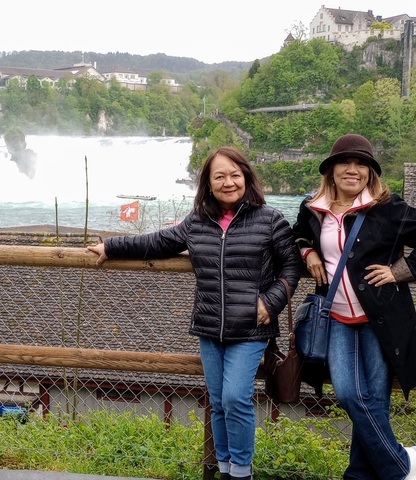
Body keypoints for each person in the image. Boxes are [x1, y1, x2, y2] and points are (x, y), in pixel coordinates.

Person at [88, 146, 300, 480]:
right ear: (208, 184)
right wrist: (111, 247)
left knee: (235, 398)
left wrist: (271, 302)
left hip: (251, 327)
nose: (228, 182)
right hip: (209, 326)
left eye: (234, 175)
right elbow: (157, 242)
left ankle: (242, 471)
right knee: (218, 401)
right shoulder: (197, 222)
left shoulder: (270, 219)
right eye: (219, 176)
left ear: (246, 177)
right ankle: (226, 468)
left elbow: (291, 266)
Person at [292, 134, 416, 480]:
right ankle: (402, 465)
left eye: (361, 164)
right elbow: (296, 234)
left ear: (370, 172)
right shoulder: (312, 209)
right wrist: (308, 251)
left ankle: (358, 476)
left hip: (380, 320)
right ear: (331, 171)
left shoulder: (388, 208)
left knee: (375, 400)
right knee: (350, 394)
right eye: (344, 163)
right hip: (336, 317)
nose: (353, 170)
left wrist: (398, 271)